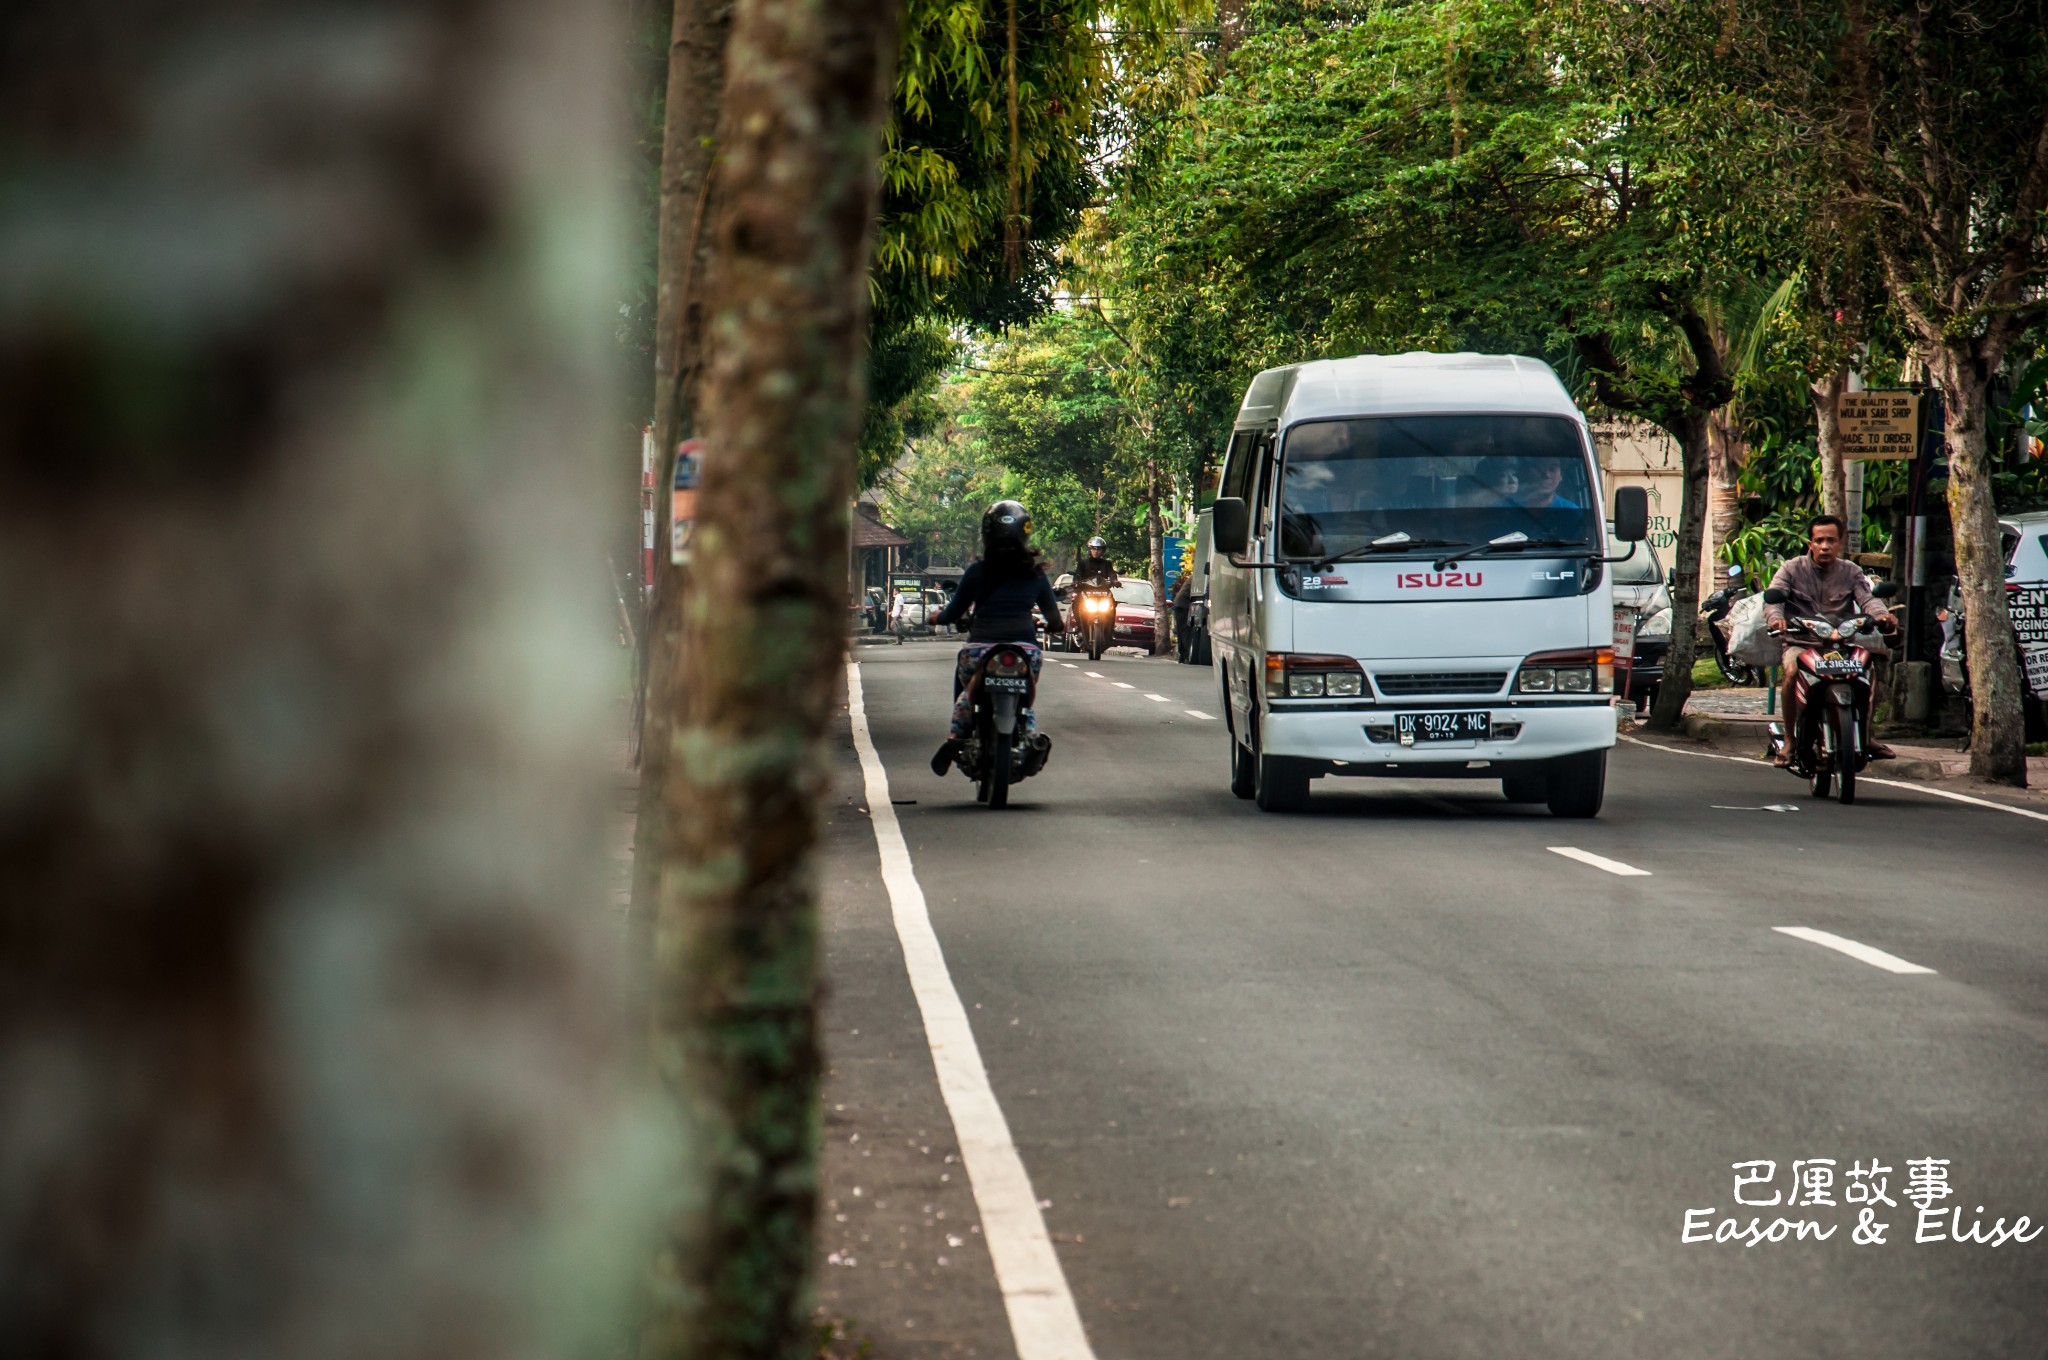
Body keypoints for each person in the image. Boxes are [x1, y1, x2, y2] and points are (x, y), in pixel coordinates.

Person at [929, 500, 1066, 775]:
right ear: (1025, 532)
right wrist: (1053, 627)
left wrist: (937, 618)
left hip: (978, 651)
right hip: (1026, 652)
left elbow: (952, 612)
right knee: (1024, 701)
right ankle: (1028, 736)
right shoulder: (1036, 575)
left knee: (967, 696)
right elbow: (1056, 621)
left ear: (987, 533)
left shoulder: (976, 572)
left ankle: (956, 738)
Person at [1764, 513, 1898, 764]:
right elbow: (1774, 599)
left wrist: (1882, 615)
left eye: (1831, 540)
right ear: (1810, 543)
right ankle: (1791, 742)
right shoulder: (1791, 569)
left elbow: (1868, 598)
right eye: (1819, 540)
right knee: (1791, 672)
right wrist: (1776, 619)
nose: (1825, 546)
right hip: (1802, 644)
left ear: (1840, 543)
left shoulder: (1851, 571)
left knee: (1868, 669)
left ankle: (1866, 736)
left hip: (1840, 645)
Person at [1515, 455, 1581, 510]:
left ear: (1561, 476)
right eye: (1539, 468)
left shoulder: (1572, 512)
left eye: (1552, 469)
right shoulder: (1512, 504)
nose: (1546, 475)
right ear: (1529, 473)